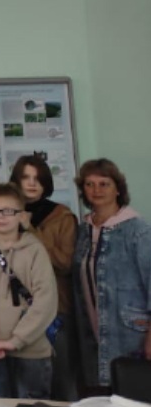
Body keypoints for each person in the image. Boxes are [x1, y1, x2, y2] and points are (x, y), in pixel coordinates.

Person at [0, 184, 57, 399]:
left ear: (21, 215)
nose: (0, 216)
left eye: (8, 211)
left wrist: (16, 340)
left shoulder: (35, 250)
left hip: (31, 350)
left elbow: (46, 300)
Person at [72, 159, 151, 388]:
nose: (96, 190)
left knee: (131, 398)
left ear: (118, 189)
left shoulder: (138, 231)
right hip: (92, 336)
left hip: (129, 335)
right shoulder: (83, 231)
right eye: (89, 184)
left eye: (104, 184)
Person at [10, 155, 78, 400]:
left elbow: (65, 262)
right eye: (26, 177)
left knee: (60, 377)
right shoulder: (7, 214)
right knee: (23, 381)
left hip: (55, 308)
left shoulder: (62, 216)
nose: (32, 183)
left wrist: (30, 229)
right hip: (16, 310)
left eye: (38, 179)